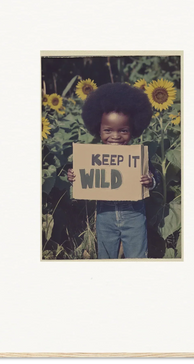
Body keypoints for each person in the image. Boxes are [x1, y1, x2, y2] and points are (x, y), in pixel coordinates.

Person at [67, 83, 159, 259]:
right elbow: (85, 178)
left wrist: (150, 180)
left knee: (137, 256)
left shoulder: (138, 156)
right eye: (108, 130)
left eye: (123, 131)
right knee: (106, 256)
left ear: (133, 130)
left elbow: (156, 176)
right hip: (105, 216)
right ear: (98, 129)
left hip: (134, 216)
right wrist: (73, 177)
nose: (115, 136)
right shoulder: (93, 157)